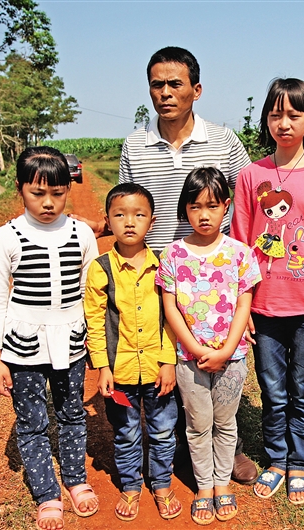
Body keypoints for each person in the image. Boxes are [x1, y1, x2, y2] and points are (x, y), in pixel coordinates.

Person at [72, 46, 259, 484]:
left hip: (214, 283)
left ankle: (228, 449)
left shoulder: (224, 141)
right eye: (157, 85)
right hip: (156, 280)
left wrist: (302, 165)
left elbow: (254, 198)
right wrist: (90, 225)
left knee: (218, 369)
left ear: (197, 89)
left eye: (175, 84)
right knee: (169, 363)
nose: (165, 93)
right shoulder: (135, 145)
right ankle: (176, 447)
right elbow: (129, 207)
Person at [231, 78, 304, 505]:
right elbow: (240, 246)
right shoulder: (251, 176)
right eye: (276, 114)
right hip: (263, 306)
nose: (284, 123)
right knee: (272, 390)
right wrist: (241, 310)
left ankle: (299, 462)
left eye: (294, 115)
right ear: (266, 119)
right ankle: (277, 459)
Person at [0, 146, 99, 530]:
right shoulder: (6, 238)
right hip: (23, 346)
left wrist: (96, 345)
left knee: (72, 413)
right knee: (31, 422)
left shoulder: (82, 234)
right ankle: (47, 493)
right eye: (37, 193)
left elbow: (91, 293)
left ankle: (76, 480)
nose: (48, 203)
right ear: (19, 188)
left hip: (72, 342)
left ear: (69, 189)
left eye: (57, 193)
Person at [157, 167, 261, 524]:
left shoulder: (240, 254)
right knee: (197, 424)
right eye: (195, 206)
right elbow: (170, 307)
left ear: (226, 207)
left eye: (212, 206)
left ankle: (221, 484)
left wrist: (226, 351)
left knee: (226, 423)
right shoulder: (172, 255)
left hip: (233, 358)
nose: (204, 215)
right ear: (184, 209)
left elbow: (244, 305)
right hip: (189, 360)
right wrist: (197, 350)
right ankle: (204, 486)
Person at [83, 183, 181, 522]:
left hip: (157, 369)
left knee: (163, 430)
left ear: (151, 222)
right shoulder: (100, 268)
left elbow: (172, 317)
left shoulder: (164, 264)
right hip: (120, 371)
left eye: (139, 215)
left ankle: (162, 484)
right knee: (125, 432)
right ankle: (130, 484)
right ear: (107, 220)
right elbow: (95, 321)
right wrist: (102, 367)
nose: (129, 222)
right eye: (120, 215)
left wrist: (168, 361)